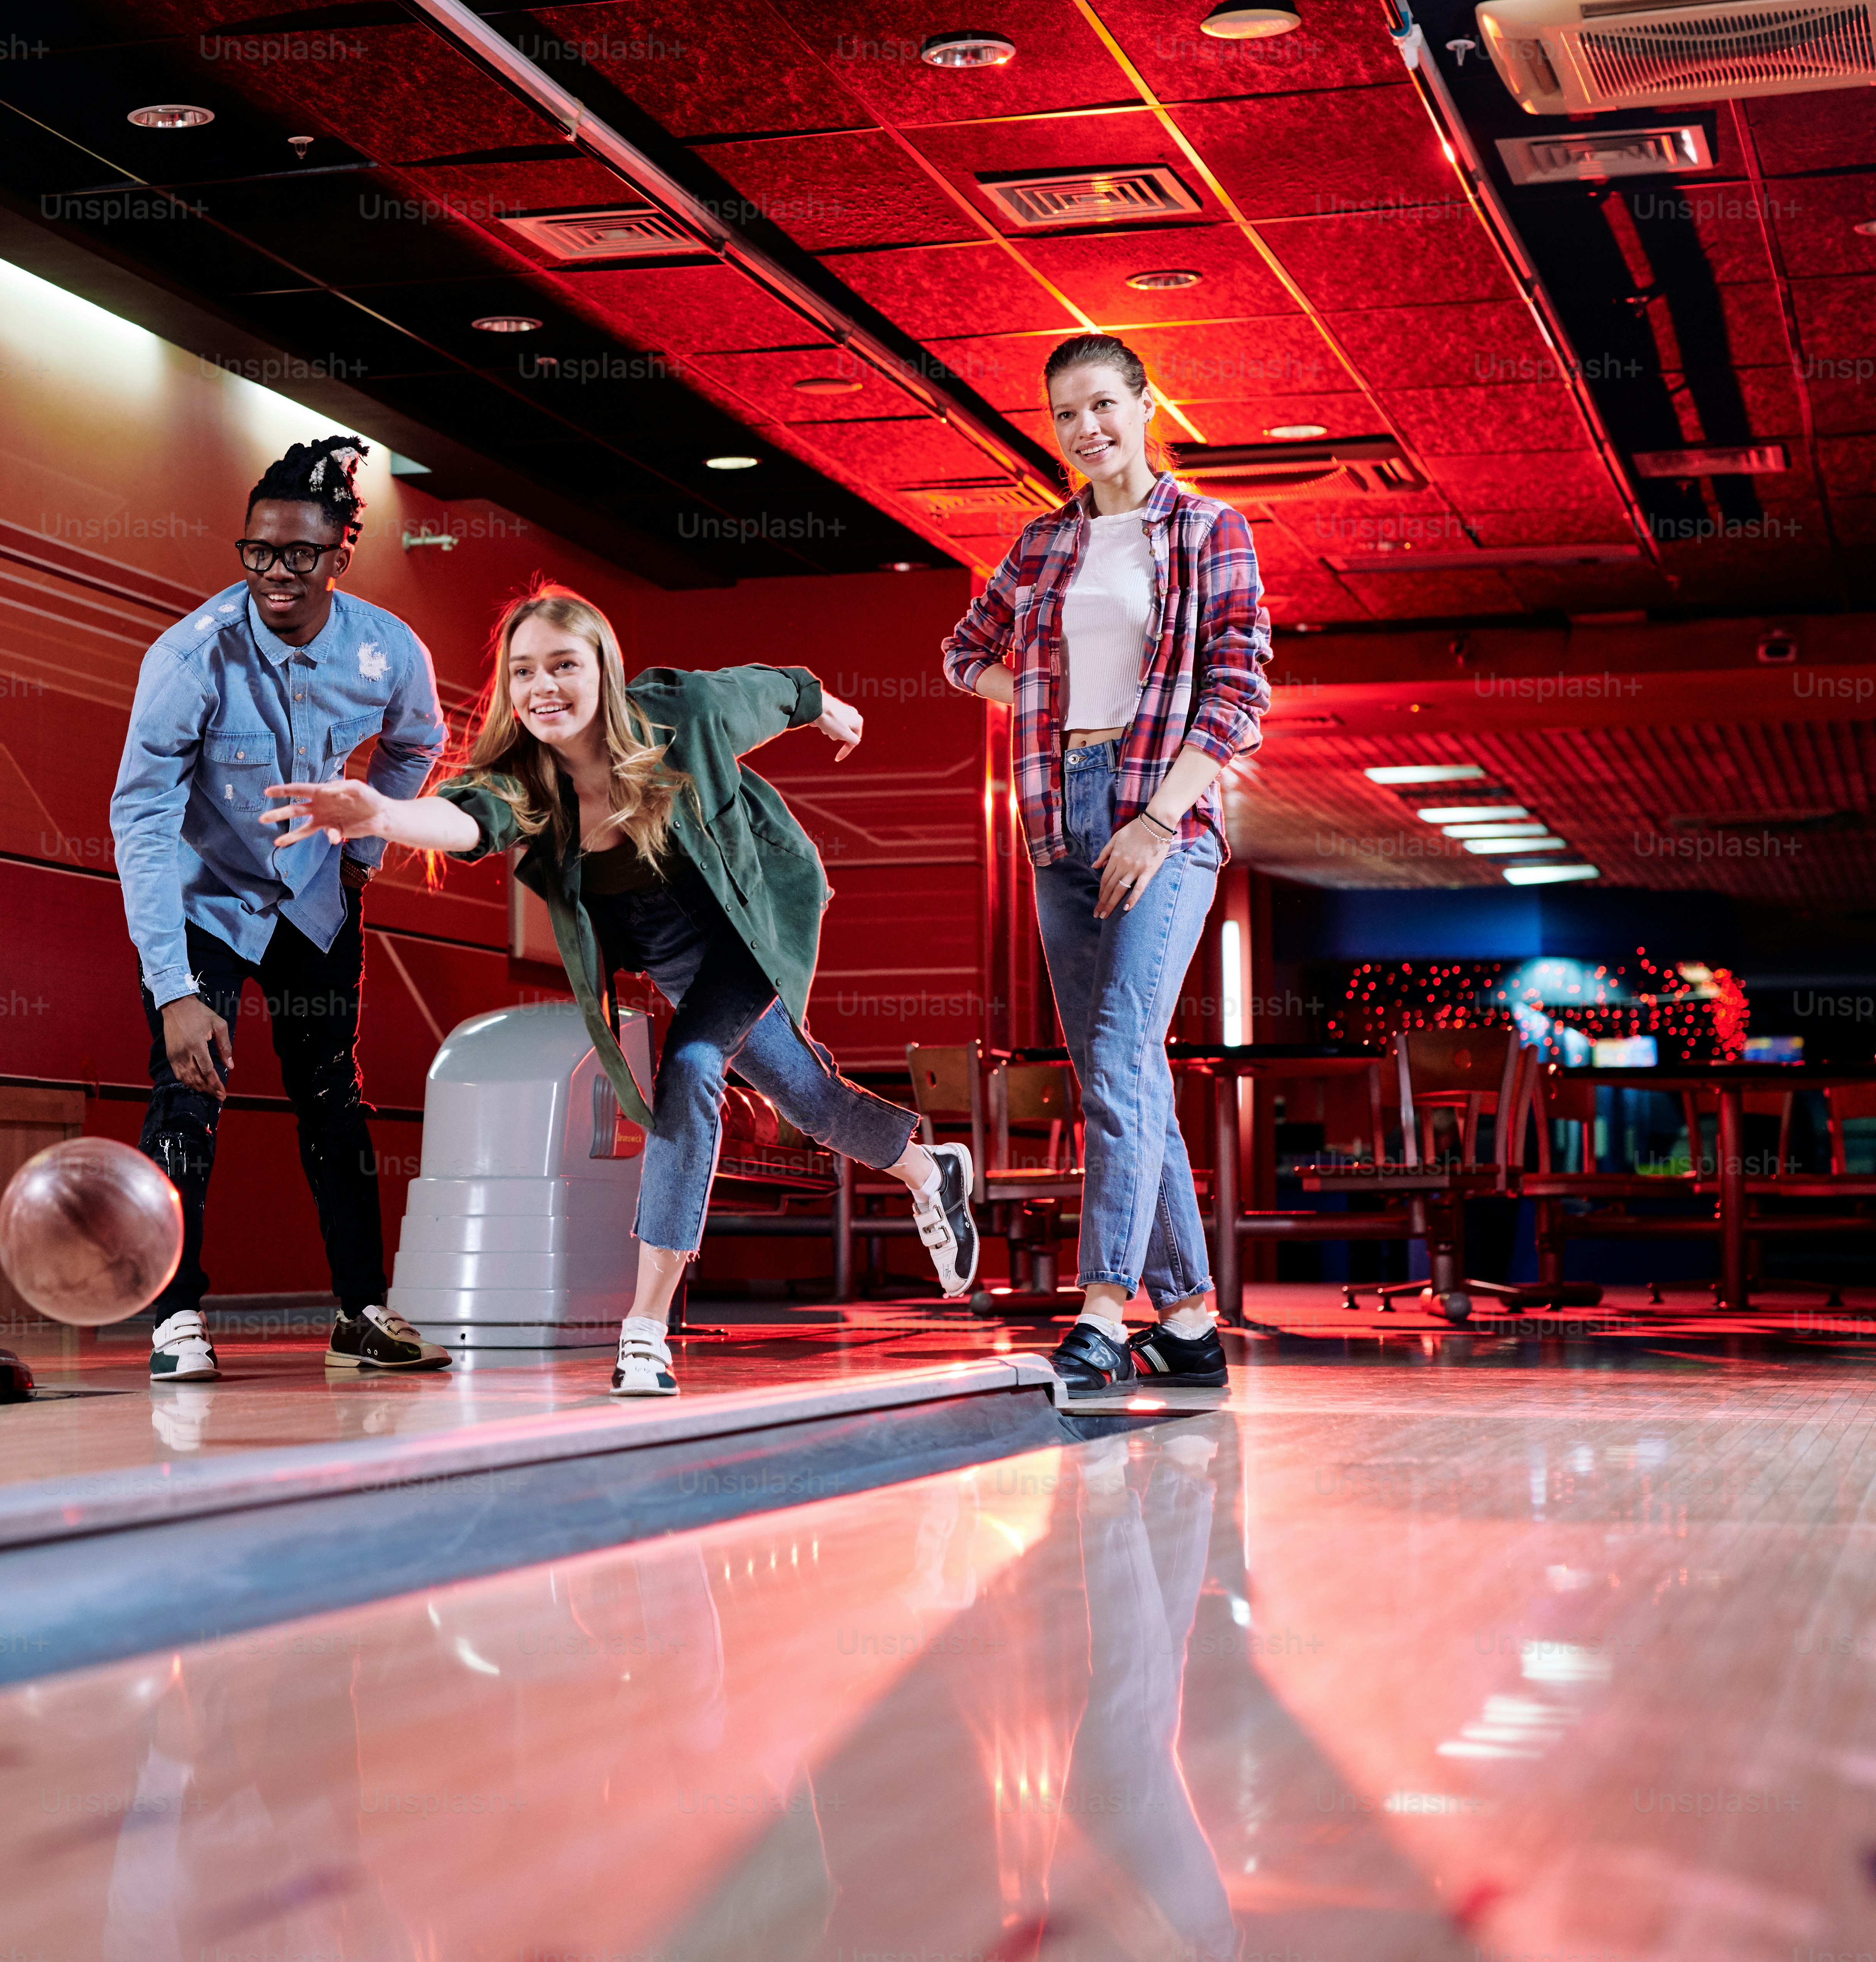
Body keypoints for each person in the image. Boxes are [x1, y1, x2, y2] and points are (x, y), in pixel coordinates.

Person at [267, 586, 979, 1400]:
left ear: (602, 669)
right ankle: (929, 1171)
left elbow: (766, 689)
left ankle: (643, 1329)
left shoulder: (679, 715)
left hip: (755, 922)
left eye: (564, 666)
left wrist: (825, 706)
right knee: (807, 1096)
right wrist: (387, 813)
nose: (544, 688)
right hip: (677, 954)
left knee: (692, 1068)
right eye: (524, 671)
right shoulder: (524, 780)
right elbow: (466, 821)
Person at [940, 332, 1271, 1402]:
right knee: (1119, 1073)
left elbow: (1238, 691)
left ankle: (1098, 1311)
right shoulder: (1046, 544)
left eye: (1102, 407)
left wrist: (1158, 818)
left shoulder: (1210, 529)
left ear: (1145, 403)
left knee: (1123, 1053)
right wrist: (1043, 699)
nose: (1086, 431)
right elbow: (962, 652)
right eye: (1065, 416)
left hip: (1162, 816)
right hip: (1056, 816)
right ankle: (1186, 1323)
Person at [107, 436, 450, 1382]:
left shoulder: (388, 649)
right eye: (257, 551)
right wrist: (173, 984)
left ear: (343, 550)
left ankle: (361, 1312)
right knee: (188, 1093)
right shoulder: (190, 655)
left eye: (300, 553)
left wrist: (364, 848)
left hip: (313, 900)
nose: (275, 573)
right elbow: (139, 816)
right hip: (204, 901)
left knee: (332, 1098)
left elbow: (418, 744)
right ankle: (176, 1318)